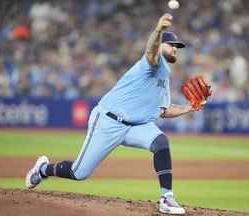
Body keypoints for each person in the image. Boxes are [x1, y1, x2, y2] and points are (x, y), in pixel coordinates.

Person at [26, 13, 206, 215]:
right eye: (171, 44)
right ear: (160, 46)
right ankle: (42, 169)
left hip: (136, 126)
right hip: (108, 121)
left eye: (177, 46)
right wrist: (157, 31)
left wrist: (188, 108)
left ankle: (167, 197)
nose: (175, 48)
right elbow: (150, 51)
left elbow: (163, 111)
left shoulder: (165, 75)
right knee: (79, 172)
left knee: (161, 143)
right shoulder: (152, 64)